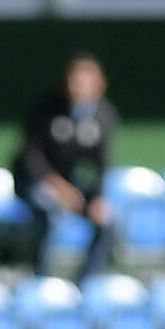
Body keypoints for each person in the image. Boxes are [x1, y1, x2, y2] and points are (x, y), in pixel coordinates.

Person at [14, 52, 118, 279]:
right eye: (74, 80)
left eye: (85, 82)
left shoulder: (104, 115)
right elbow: (30, 157)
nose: (78, 87)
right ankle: (42, 280)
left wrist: (98, 198)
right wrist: (58, 187)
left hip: (70, 184)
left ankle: (85, 283)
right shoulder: (47, 110)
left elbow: (102, 161)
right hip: (34, 182)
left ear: (99, 85)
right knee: (48, 213)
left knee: (107, 220)